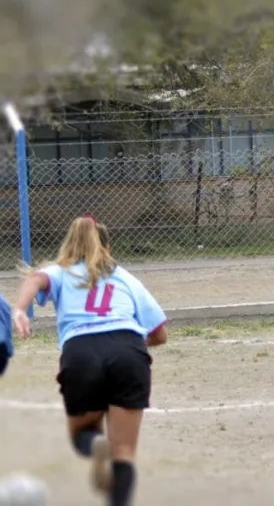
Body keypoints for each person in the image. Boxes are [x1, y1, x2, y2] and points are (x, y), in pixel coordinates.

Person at [12, 215, 168, 506]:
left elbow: (35, 278)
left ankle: (95, 444)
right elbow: (159, 334)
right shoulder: (124, 277)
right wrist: (131, 343)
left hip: (81, 350)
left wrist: (20, 309)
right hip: (128, 350)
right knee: (124, 451)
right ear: (105, 247)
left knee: (83, 432)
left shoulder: (61, 271)